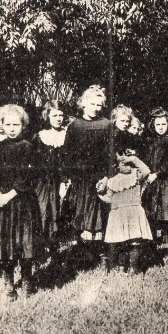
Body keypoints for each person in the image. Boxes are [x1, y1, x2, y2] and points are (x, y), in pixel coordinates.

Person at [0, 105, 42, 299]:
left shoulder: (29, 148)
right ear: (2, 125)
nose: (12, 128)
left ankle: (27, 280)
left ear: (24, 126)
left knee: (24, 243)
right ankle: (8, 282)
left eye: (17, 124)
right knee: (5, 245)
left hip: (21, 203)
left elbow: (29, 178)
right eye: (8, 124)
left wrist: (8, 195)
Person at [64, 86, 113, 261]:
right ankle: (83, 252)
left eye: (99, 105)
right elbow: (67, 154)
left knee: (100, 212)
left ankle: (101, 252)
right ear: (83, 104)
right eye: (91, 103)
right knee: (81, 212)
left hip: (100, 177)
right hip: (80, 178)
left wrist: (107, 176)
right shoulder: (75, 126)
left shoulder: (106, 125)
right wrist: (69, 177)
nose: (95, 108)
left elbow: (110, 154)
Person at [99, 150, 153, 273]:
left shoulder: (136, 176)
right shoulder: (112, 181)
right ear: (116, 166)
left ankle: (133, 267)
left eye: (129, 163)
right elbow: (108, 198)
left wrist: (133, 159)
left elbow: (147, 170)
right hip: (118, 214)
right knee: (121, 242)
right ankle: (121, 266)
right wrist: (99, 193)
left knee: (134, 241)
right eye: (123, 163)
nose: (128, 166)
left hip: (134, 212)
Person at [32, 100, 70, 257]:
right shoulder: (40, 136)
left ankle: (55, 249)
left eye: (61, 115)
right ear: (47, 116)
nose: (59, 118)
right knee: (41, 212)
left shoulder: (68, 136)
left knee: (57, 213)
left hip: (60, 181)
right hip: (41, 182)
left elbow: (70, 161)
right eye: (55, 115)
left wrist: (65, 181)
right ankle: (38, 250)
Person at [142, 108, 168, 244]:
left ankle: (166, 238)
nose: (161, 127)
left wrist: (158, 173)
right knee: (151, 207)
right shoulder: (149, 140)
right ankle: (152, 236)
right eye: (158, 124)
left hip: (165, 179)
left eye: (163, 124)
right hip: (150, 178)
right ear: (153, 125)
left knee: (165, 208)